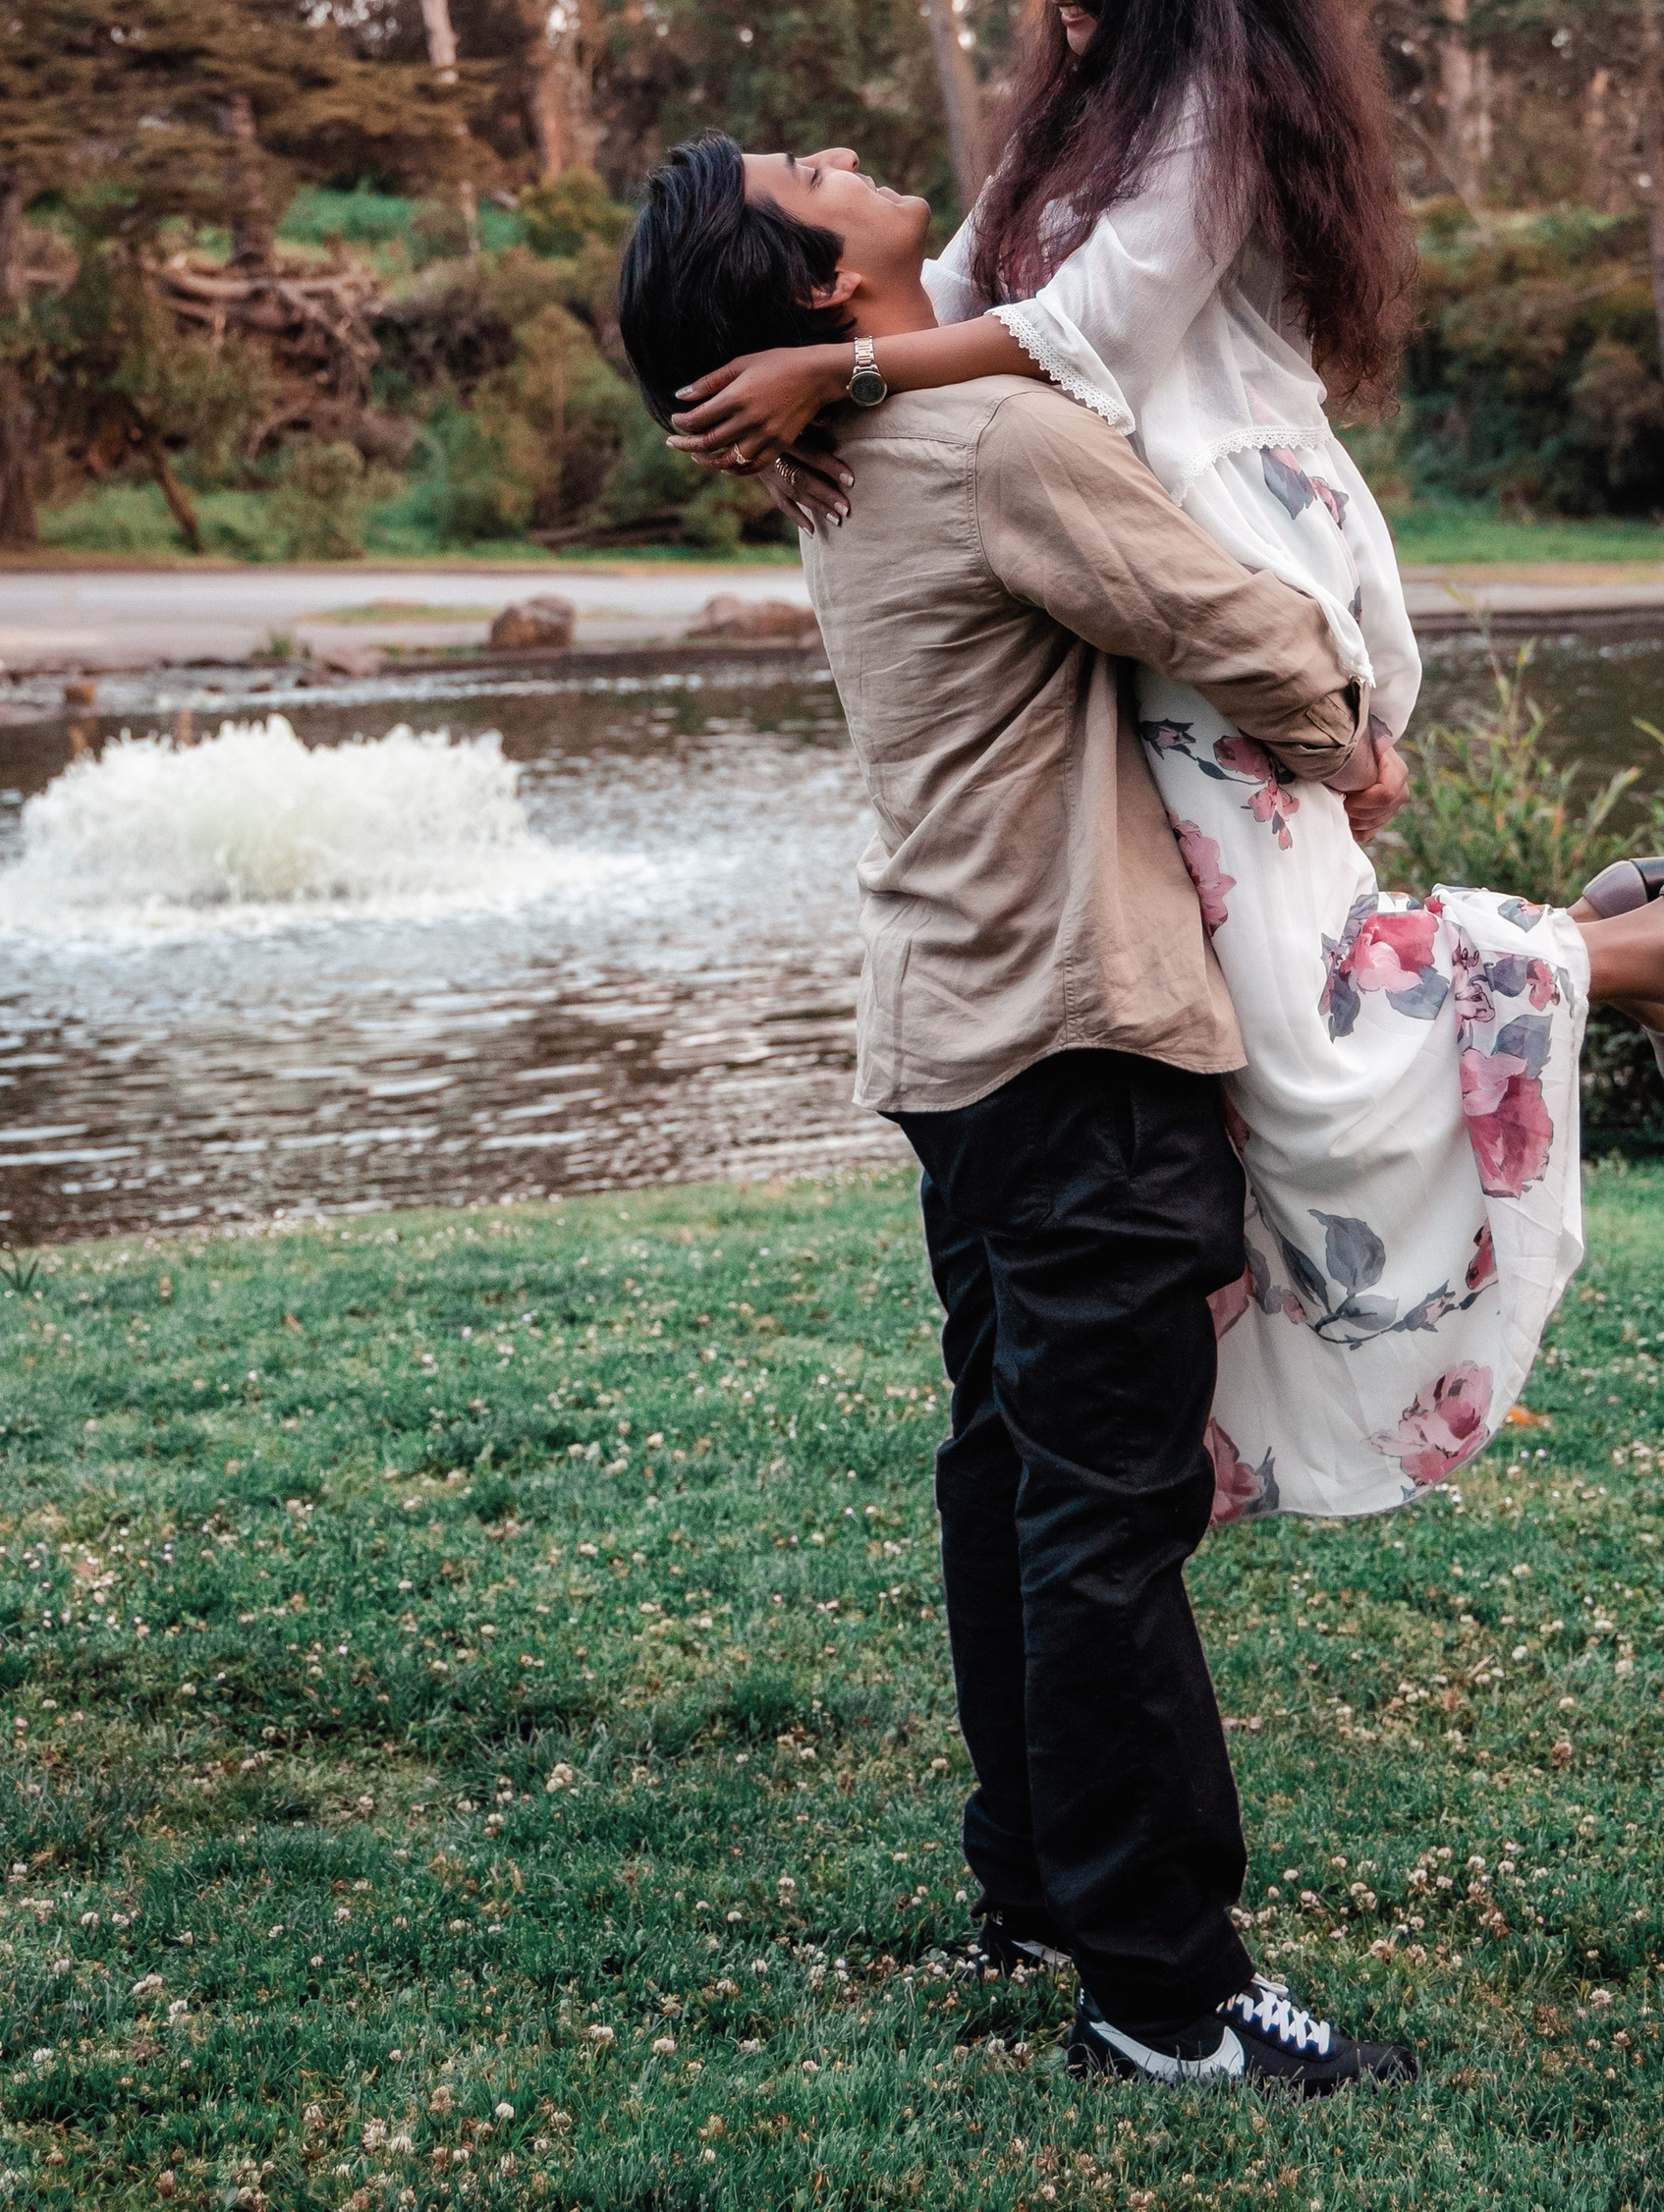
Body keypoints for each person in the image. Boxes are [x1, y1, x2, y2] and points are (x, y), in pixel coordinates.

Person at [661, 0, 1664, 1522]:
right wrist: (813, 375)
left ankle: (1649, 952)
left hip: (1230, 557)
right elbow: (955, 287)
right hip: (1136, 591)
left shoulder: (1214, 113)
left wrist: (839, 376)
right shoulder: (1069, 125)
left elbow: (1072, 334)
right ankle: (1626, 936)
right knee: (1280, 998)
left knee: (1304, 1011)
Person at [617, 134, 1420, 2092]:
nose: (847, 151)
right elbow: (1225, 617)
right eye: (806, 172)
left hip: (953, 1037)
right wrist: (1345, 731)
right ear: (819, 287)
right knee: (1101, 1523)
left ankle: (1041, 1886)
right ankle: (1164, 1991)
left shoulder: (844, 461)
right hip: (1072, 1036)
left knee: (1014, 1480)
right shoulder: (984, 452)